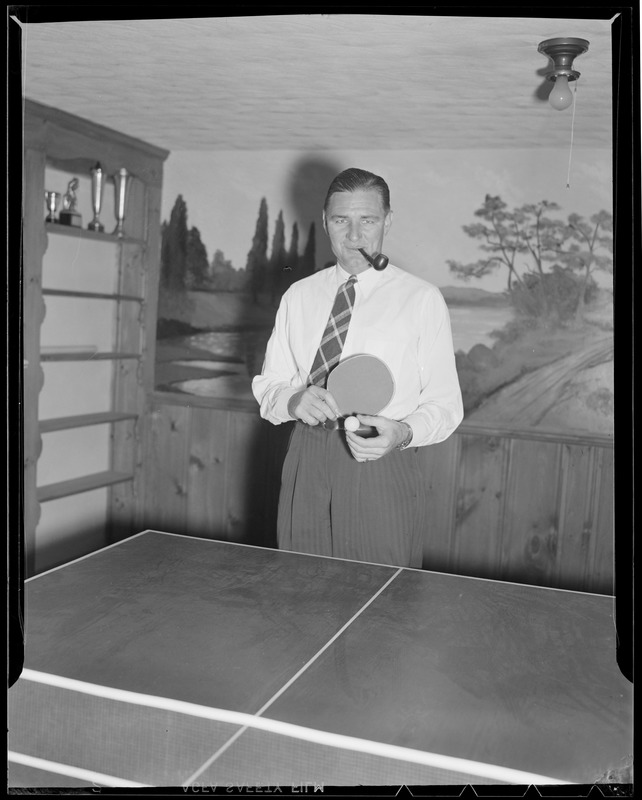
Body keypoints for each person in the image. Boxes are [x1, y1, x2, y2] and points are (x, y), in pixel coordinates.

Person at [252, 168, 463, 568]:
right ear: (325, 221)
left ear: (388, 221)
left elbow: (446, 406)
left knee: (380, 602)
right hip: (306, 457)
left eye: (367, 220)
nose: (353, 236)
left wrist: (400, 433)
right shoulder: (299, 296)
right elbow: (269, 386)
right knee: (299, 588)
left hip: (379, 459)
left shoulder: (422, 300)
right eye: (340, 220)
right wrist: (293, 399)